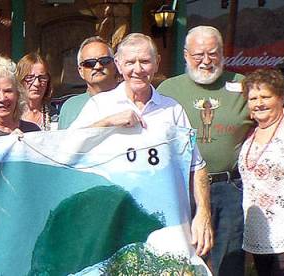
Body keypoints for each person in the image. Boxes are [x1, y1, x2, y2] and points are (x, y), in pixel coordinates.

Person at [71, 33, 214, 258]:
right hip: (114, 224)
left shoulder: (172, 110)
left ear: (157, 63)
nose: (137, 69)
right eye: (130, 62)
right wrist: (108, 122)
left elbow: (197, 166)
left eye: (145, 61)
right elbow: (68, 148)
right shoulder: (99, 105)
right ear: (118, 65)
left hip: (165, 226)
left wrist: (203, 213)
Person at [158, 26, 251, 275]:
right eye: (199, 55)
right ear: (186, 55)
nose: (206, 61)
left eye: (213, 53)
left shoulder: (241, 85)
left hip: (229, 189)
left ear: (222, 54)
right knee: (182, 262)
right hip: (183, 188)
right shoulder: (168, 89)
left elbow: (272, 110)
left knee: (229, 264)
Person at [238, 69, 284, 276]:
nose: (259, 103)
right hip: (259, 238)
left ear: (281, 98)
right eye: (253, 98)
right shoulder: (251, 132)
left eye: (266, 97)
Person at [58, 36, 119, 129]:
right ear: (81, 71)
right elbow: (64, 142)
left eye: (104, 61)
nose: (98, 66)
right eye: (90, 63)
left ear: (115, 65)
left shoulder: (130, 99)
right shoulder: (70, 108)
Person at [17, 51, 59, 130]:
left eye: (42, 78)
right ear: (20, 81)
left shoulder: (55, 115)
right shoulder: (10, 115)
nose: (36, 83)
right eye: (30, 77)